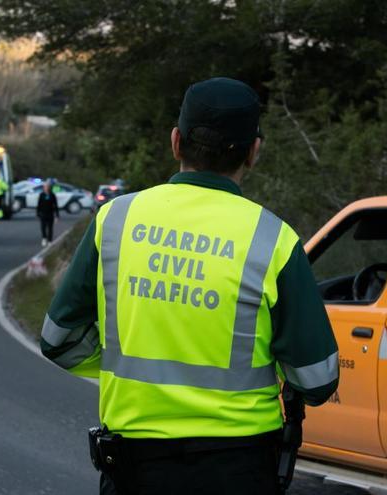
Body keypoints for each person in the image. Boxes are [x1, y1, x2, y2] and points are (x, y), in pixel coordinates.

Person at [40, 77, 339, 495]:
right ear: (254, 152)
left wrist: (123, 367)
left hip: (134, 469)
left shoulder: (115, 221)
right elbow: (318, 380)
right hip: (240, 470)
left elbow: (58, 340)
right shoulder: (274, 240)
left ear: (176, 141)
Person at [36, 180, 59, 246]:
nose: (45, 188)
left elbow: (55, 205)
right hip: (43, 213)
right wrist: (38, 212)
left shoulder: (52, 195)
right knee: (43, 227)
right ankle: (44, 238)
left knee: (50, 228)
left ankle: (50, 240)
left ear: (49, 187)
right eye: (44, 187)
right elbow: (39, 204)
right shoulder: (41, 195)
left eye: (47, 187)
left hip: (50, 214)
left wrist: (57, 215)